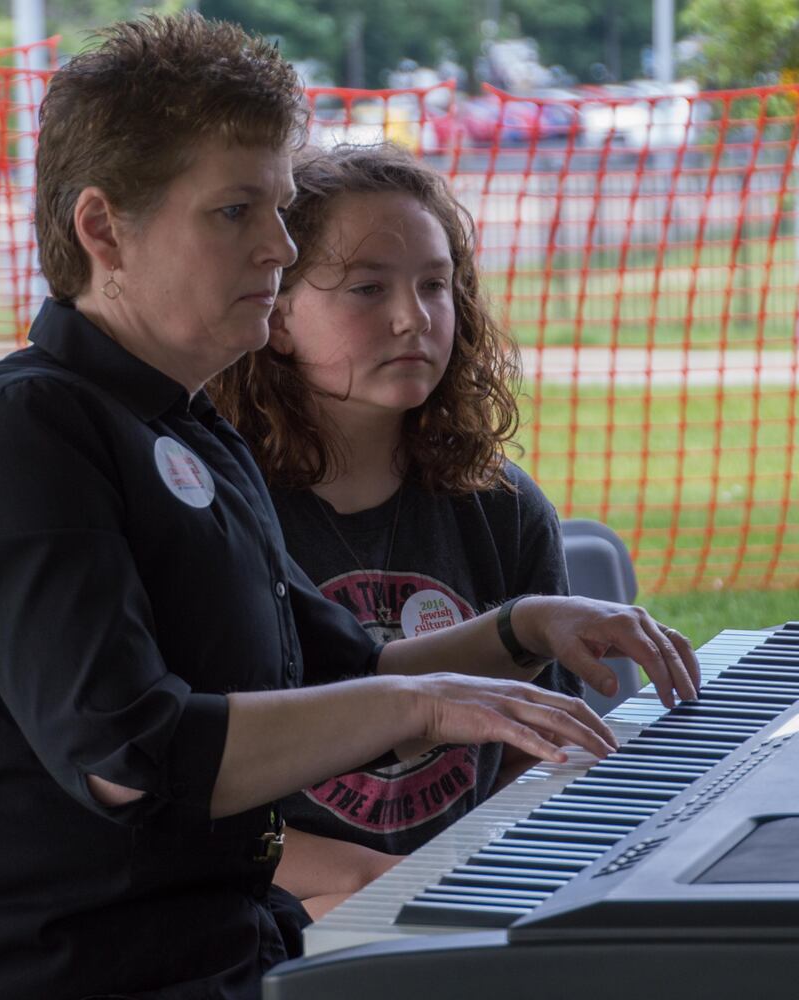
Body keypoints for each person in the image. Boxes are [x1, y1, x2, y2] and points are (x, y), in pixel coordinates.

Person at [0, 14, 699, 1000]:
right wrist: (416, 704)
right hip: (39, 970)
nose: (279, 247)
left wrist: (521, 631)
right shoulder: (22, 432)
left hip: (216, 954)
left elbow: (351, 671)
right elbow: (129, 756)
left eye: (283, 208)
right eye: (236, 211)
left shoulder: (193, 437)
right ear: (101, 228)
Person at [209, 143, 588, 921]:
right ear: (278, 316)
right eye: (367, 287)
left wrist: (470, 884)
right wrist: (358, 882)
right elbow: (184, 785)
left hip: (466, 910)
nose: (412, 316)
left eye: (435, 285)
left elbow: (540, 754)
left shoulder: (504, 508)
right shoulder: (218, 510)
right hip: (282, 910)